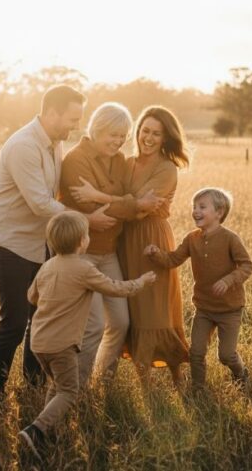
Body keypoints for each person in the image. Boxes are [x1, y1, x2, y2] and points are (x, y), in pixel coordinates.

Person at [0, 85, 115, 403]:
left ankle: (32, 386)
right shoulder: (23, 146)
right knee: (14, 323)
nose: (75, 125)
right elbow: (41, 204)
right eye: (71, 118)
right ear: (51, 112)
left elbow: (54, 197)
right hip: (9, 243)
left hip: (39, 243)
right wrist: (87, 219)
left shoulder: (54, 144)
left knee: (39, 320)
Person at [71, 105, 191, 389]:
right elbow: (127, 202)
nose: (148, 138)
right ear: (137, 132)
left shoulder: (166, 169)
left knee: (157, 307)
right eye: (145, 131)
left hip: (152, 241)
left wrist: (95, 194)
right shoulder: (126, 162)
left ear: (166, 138)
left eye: (156, 133)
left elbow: (138, 210)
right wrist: (118, 201)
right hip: (123, 241)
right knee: (133, 310)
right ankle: (142, 383)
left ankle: (179, 380)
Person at [19, 211, 155, 460]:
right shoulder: (84, 268)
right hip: (62, 345)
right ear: (82, 241)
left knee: (59, 386)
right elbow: (115, 288)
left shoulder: (47, 266)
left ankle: (48, 430)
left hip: (38, 342)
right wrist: (142, 281)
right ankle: (36, 430)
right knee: (70, 391)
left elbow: (31, 297)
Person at [58, 102, 165, 386]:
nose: (118, 142)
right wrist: (129, 203)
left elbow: (128, 205)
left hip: (109, 252)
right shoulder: (75, 160)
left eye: (122, 136)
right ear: (97, 129)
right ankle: (76, 389)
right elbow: (93, 204)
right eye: (112, 135)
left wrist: (116, 201)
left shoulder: (119, 160)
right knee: (92, 326)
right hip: (81, 255)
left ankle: (102, 381)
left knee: (120, 322)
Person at [145, 188, 252, 391]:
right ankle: (198, 389)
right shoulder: (192, 239)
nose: (196, 211)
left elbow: (247, 265)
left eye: (202, 207)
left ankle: (242, 375)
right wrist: (156, 253)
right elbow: (173, 259)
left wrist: (228, 280)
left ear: (219, 213)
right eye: (194, 207)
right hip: (203, 308)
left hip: (230, 309)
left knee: (226, 355)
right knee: (196, 352)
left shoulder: (230, 239)